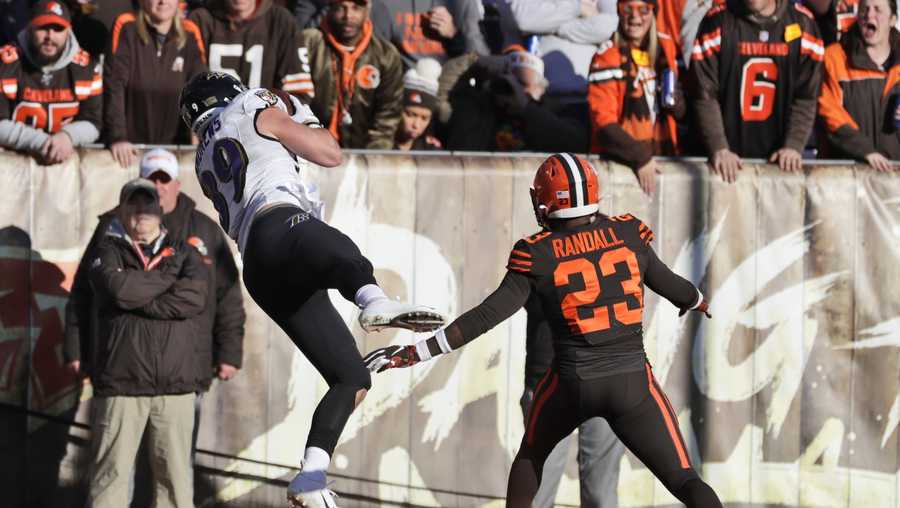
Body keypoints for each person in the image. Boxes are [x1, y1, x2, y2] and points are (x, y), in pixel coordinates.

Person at [364, 153, 723, 508]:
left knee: (532, 456)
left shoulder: (538, 252)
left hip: (572, 382)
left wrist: (416, 352)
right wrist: (697, 300)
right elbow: (673, 286)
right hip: (631, 381)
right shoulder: (628, 232)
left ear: (547, 201)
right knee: (684, 478)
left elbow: (485, 316)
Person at [178, 71, 444, 507]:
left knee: (351, 377)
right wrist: (303, 115)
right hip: (279, 223)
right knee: (342, 252)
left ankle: (312, 475)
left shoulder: (203, 154)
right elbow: (329, 153)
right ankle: (372, 301)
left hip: (259, 266)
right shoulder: (250, 106)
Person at [64, 148, 245, 444]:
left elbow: (227, 295)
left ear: (177, 184)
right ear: (140, 183)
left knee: (174, 471)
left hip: (183, 369)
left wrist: (229, 352)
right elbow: (84, 290)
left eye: (165, 179)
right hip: (120, 368)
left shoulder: (204, 230)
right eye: (151, 179)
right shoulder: (111, 227)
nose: (158, 187)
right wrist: (75, 347)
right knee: (114, 471)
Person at [85, 178, 209, 508]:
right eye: (134, 203)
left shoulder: (186, 251)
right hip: (121, 385)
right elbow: (117, 290)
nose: (142, 211)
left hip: (176, 387)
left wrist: (136, 295)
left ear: (161, 208)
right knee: (109, 480)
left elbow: (194, 298)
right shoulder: (106, 250)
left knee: (176, 485)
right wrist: (167, 281)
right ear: (122, 209)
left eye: (149, 203)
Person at [690, 0, 824, 182]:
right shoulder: (718, 21)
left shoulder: (803, 24)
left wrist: (793, 145)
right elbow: (704, 94)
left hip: (778, 163)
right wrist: (719, 147)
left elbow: (806, 96)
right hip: (727, 165)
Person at [520, 294, 625, 508]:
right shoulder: (537, 259)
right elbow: (523, 295)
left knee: (601, 497)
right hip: (549, 382)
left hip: (606, 379)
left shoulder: (617, 259)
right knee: (537, 496)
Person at [588, 0, 684, 195]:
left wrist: (677, 101)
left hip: (665, 160)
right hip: (622, 168)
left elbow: (683, 111)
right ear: (618, 12)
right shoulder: (607, 55)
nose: (635, 17)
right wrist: (641, 156)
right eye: (627, 9)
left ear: (653, 12)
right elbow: (604, 125)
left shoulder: (666, 48)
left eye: (643, 10)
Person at [104, 0, 208, 168]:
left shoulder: (190, 32)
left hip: (176, 151)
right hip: (131, 152)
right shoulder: (126, 27)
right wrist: (118, 137)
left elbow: (201, 89)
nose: (162, 2)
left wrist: (200, 131)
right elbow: (114, 86)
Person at [0, 0, 102, 164]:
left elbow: (95, 123)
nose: (50, 36)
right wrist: (40, 141)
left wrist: (68, 136)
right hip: (14, 165)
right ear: (30, 28)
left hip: (65, 167)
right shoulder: (6, 62)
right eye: (43, 27)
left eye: (57, 29)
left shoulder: (87, 68)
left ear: (69, 31)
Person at [299, 0, 404, 149]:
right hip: (310, 148)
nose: (348, 16)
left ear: (367, 10)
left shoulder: (386, 54)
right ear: (330, 8)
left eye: (356, 8)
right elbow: (294, 102)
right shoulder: (307, 42)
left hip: (363, 152)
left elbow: (387, 117)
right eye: (342, 8)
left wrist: (372, 160)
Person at [445, 45, 588, 152]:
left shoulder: (554, 111)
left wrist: (526, 108)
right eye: (512, 81)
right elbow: (444, 94)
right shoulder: (482, 107)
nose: (515, 88)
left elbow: (573, 143)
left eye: (523, 84)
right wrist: (474, 63)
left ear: (541, 88)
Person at [817, 0, 900, 170]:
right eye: (864, 9)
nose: (869, 15)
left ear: (892, 20)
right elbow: (829, 112)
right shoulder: (835, 58)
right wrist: (865, 150)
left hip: (894, 180)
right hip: (846, 177)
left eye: (877, 9)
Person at [189, 0, 308, 92]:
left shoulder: (281, 21)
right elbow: (184, 85)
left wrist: (270, 117)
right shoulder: (200, 21)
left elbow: (298, 90)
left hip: (265, 120)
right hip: (211, 118)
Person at [373, 0, 466, 66]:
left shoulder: (458, 3)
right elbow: (377, 56)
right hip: (405, 82)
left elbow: (469, 55)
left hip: (447, 81)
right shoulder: (384, 4)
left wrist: (452, 33)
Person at [394, 57, 443, 150]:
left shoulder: (431, 151)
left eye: (424, 118)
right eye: (411, 115)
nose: (416, 125)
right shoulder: (378, 144)